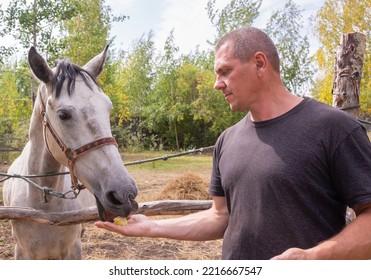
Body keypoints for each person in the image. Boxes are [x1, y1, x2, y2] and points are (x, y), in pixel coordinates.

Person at [95, 26, 371, 260]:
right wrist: (152, 228)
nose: (217, 84)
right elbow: (219, 216)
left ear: (260, 63)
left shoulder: (333, 128)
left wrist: (315, 257)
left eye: (224, 71)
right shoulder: (227, 140)